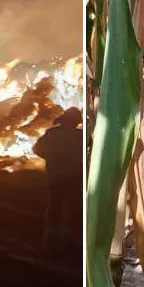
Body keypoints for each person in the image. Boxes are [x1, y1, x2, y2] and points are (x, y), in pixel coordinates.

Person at [32, 107, 83, 254]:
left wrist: (51, 158)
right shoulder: (80, 136)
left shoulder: (52, 133)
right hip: (73, 178)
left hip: (54, 176)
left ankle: (50, 242)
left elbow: (37, 149)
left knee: (54, 207)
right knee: (71, 210)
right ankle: (66, 243)